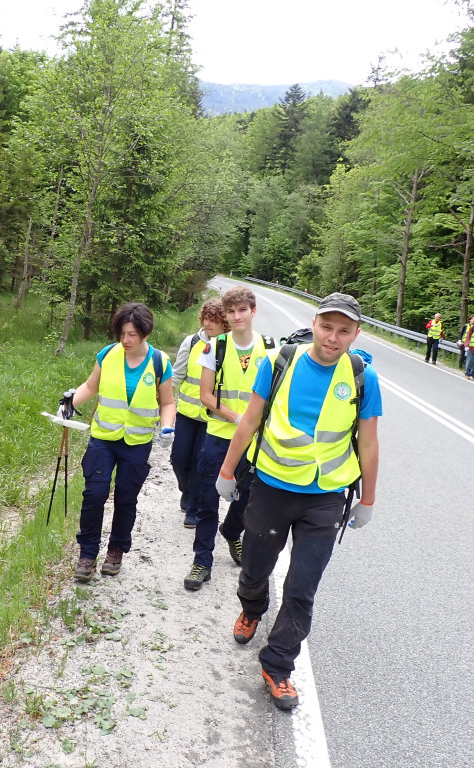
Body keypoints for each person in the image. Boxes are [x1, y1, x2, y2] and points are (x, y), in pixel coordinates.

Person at [214, 292, 382, 711]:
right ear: (315, 323)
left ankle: (278, 665)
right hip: (271, 487)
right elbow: (251, 419)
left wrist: (368, 499)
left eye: (344, 330)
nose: (333, 337)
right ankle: (252, 607)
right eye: (327, 327)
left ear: (356, 335)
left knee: (303, 587)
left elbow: (369, 440)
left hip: (325, 498)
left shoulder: (362, 376)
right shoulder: (280, 363)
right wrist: (227, 471)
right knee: (254, 569)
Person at [57, 303, 176, 583]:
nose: (125, 340)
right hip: (103, 438)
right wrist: (69, 405)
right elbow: (90, 386)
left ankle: (116, 551)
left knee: (125, 498)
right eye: (122, 333)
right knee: (95, 495)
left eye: (132, 334)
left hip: (137, 442)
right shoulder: (108, 354)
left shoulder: (160, 362)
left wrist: (168, 427)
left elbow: (168, 402)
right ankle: (87, 554)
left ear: (145, 333)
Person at [184, 285, 271, 591]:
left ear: (253, 312)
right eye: (231, 311)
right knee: (208, 499)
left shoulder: (271, 349)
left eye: (242, 310)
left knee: (248, 499)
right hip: (219, 435)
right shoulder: (215, 347)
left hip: (256, 442)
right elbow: (205, 395)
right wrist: (238, 419)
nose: (237, 316)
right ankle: (202, 561)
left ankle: (232, 531)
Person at [171, 299, 229, 529]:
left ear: (224, 323)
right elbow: (177, 375)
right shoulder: (192, 341)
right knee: (179, 459)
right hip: (186, 413)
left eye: (213, 320)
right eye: (205, 318)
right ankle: (186, 490)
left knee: (199, 463)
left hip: (211, 418)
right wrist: (162, 400)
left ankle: (193, 508)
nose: (207, 323)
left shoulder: (228, 348)